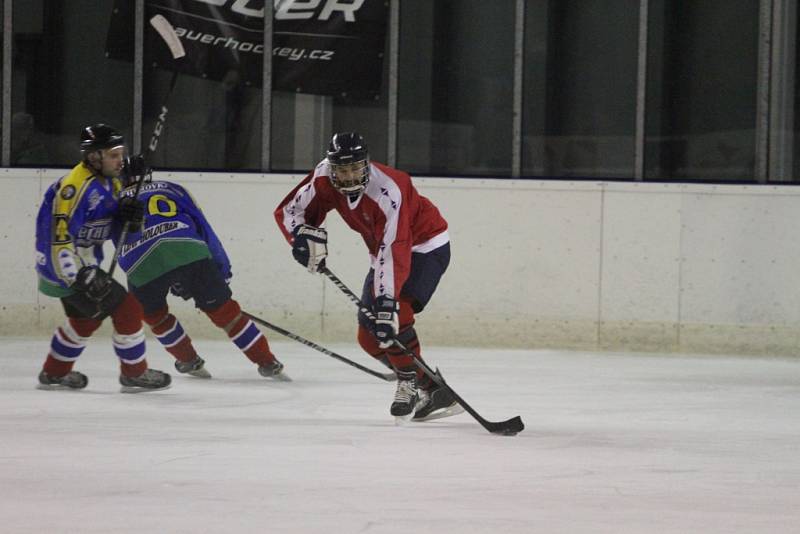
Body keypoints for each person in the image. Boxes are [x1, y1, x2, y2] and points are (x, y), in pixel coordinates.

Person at [274, 131, 461, 421]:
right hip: (384, 254)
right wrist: (300, 236)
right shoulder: (324, 177)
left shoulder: (390, 189)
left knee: (396, 311)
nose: (348, 177)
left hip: (423, 246)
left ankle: (407, 381)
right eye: (342, 170)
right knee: (368, 337)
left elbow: (395, 248)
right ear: (331, 166)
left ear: (366, 164)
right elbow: (292, 210)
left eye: (354, 169)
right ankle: (436, 391)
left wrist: (387, 303)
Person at [34, 124, 171, 392]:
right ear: (94, 157)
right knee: (128, 308)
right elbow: (59, 241)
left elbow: (121, 237)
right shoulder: (74, 189)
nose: (121, 160)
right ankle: (134, 373)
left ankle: (53, 373)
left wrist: (130, 218)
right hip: (64, 269)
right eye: (114, 155)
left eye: (122, 154)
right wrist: (79, 276)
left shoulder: (113, 182)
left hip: (81, 267)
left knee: (86, 320)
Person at [115, 178, 288, 381]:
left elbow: (119, 245)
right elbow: (203, 226)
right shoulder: (173, 188)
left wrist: (162, 272)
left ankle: (188, 360)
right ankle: (268, 362)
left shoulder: (113, 202)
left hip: (141, 261)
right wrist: (221, 270)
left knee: (154, 316)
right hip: (187, 247)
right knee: (226, 313)